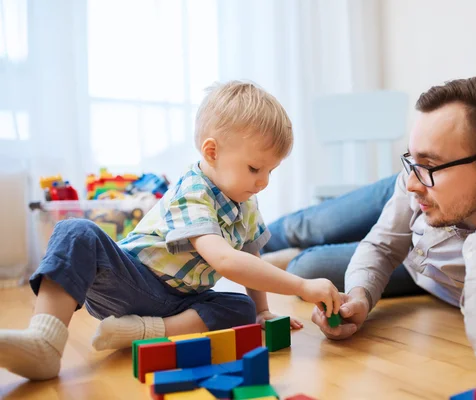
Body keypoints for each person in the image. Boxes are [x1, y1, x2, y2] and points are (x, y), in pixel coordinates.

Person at [0, 81, 341, 381]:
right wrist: (301, 284)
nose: (264, 181)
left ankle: (141, 331)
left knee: (241, 310)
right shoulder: (193, 191)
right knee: (76, 230)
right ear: (212, 151)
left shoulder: (246, 201)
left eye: (271, 171)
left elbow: (251, 254)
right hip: (133, 281)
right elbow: (224, 259)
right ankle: (44, 341)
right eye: (255, 168)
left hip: (179, 300)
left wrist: (263, 310)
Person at [263, 77, 476, 383]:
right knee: (310, 226)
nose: (412, 183)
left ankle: (284, 258)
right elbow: (383, 245)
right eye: (412, 159)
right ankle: (244, 240)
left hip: (425, 253)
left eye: (430, 163)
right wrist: (361, 294)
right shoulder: (415, 181)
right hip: (426, 216)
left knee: (305, 266)